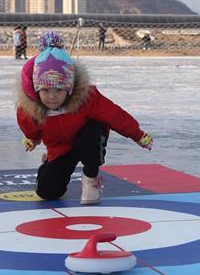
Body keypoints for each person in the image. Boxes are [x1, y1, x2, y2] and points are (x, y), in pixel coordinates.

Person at [16, 31, 154, 204]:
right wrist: (33, 139)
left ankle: (91, 179)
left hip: (87, 139)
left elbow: (115, 116)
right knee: (48, 192)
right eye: (45, 90)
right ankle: (47, 167)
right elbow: (31, 129)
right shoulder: (29, 110)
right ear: (36, 90)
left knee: (92, 134)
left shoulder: (87, 99)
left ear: (69, 88)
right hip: (60, 149)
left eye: (59, 90)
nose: (52, 97)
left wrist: (138, 135)